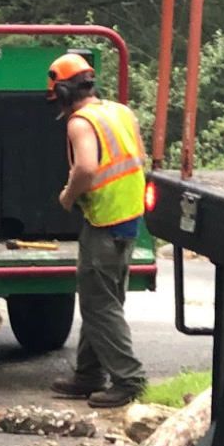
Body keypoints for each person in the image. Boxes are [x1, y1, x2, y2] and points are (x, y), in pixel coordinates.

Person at [46, 52, 149, 406]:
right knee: (102, 299)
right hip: (128, 218)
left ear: (62, 92)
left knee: (99, 305)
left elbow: (87, 168)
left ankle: (130, 380)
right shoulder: (121, 112)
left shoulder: (80, 122)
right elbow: (139, 157)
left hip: (104, 221)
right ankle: (89, 374)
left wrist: (68, 195)